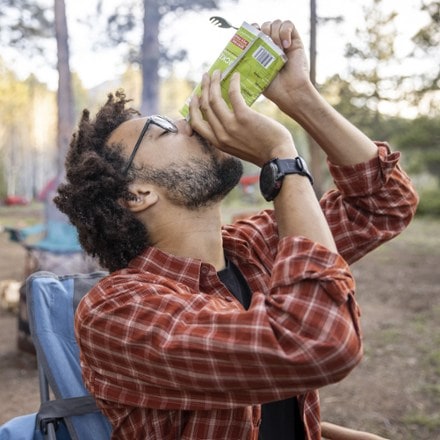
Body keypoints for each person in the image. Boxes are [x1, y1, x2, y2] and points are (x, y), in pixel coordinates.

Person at [54, 19, 418, 440]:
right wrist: (281, 159)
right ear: (137, 194)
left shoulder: (251, 247)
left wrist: (301, 100)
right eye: (165, 128)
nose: (191, 122)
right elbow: (317, 342)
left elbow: (384, 205)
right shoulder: (118, 311)